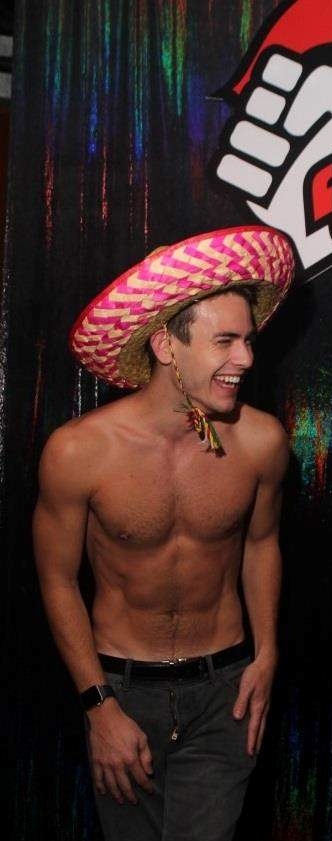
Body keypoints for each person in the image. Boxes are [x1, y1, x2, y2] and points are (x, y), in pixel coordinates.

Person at [32, 225, 295, 841]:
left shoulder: (262, 441)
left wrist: (267, 655)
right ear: (166, 346)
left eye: (248, 340)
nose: (246, 359)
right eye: (225, 341)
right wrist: (98, 705)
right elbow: (57, 579)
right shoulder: (79, 451)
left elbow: (261, 546)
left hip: (226, 692)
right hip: (123, 692)